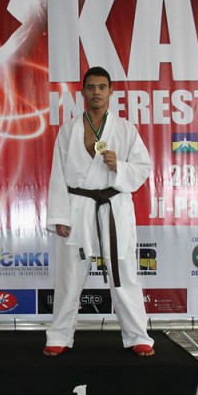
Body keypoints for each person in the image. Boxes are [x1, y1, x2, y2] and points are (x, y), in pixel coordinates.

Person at [44, 67, 155, 357]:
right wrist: (59, 215)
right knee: (69, 274)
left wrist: (120, 167)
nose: (96, 92)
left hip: (113, 206)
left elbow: (143, 168)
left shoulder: (125, 129)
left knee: (124, 271)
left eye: (102, 87)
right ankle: (59, 335)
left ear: (110, 91)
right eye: (91, 87)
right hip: (77, 205)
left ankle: (137, 335)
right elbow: (58, 173)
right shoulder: (69, 129)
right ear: (83, 92)